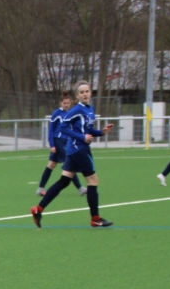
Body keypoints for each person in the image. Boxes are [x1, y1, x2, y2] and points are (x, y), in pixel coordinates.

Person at [30, 82, 115, 228]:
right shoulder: (77, 110)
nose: (85, 94)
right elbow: (63, 127)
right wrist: (82, 138)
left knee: (64, 181)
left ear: (91, 93)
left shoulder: (90, 109)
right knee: (93, 181)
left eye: (87, 91)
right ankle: (95, 218)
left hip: (73, 150)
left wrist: (102, 132)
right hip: (79, 149)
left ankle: (38, 209)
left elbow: (87, 130)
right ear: (77, 95)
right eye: (82, 92)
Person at [37, 92, 85, 197]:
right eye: (64, 103)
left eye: (68, 103)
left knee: (51, 165)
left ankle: (40, 188)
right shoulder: (57, 113)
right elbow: (51, 130)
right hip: (58, 141)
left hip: (66, 141)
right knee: (69, 164)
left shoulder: (71, 113)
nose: (66, 105)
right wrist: (52, 144)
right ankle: (80, 188)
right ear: (60, 103)